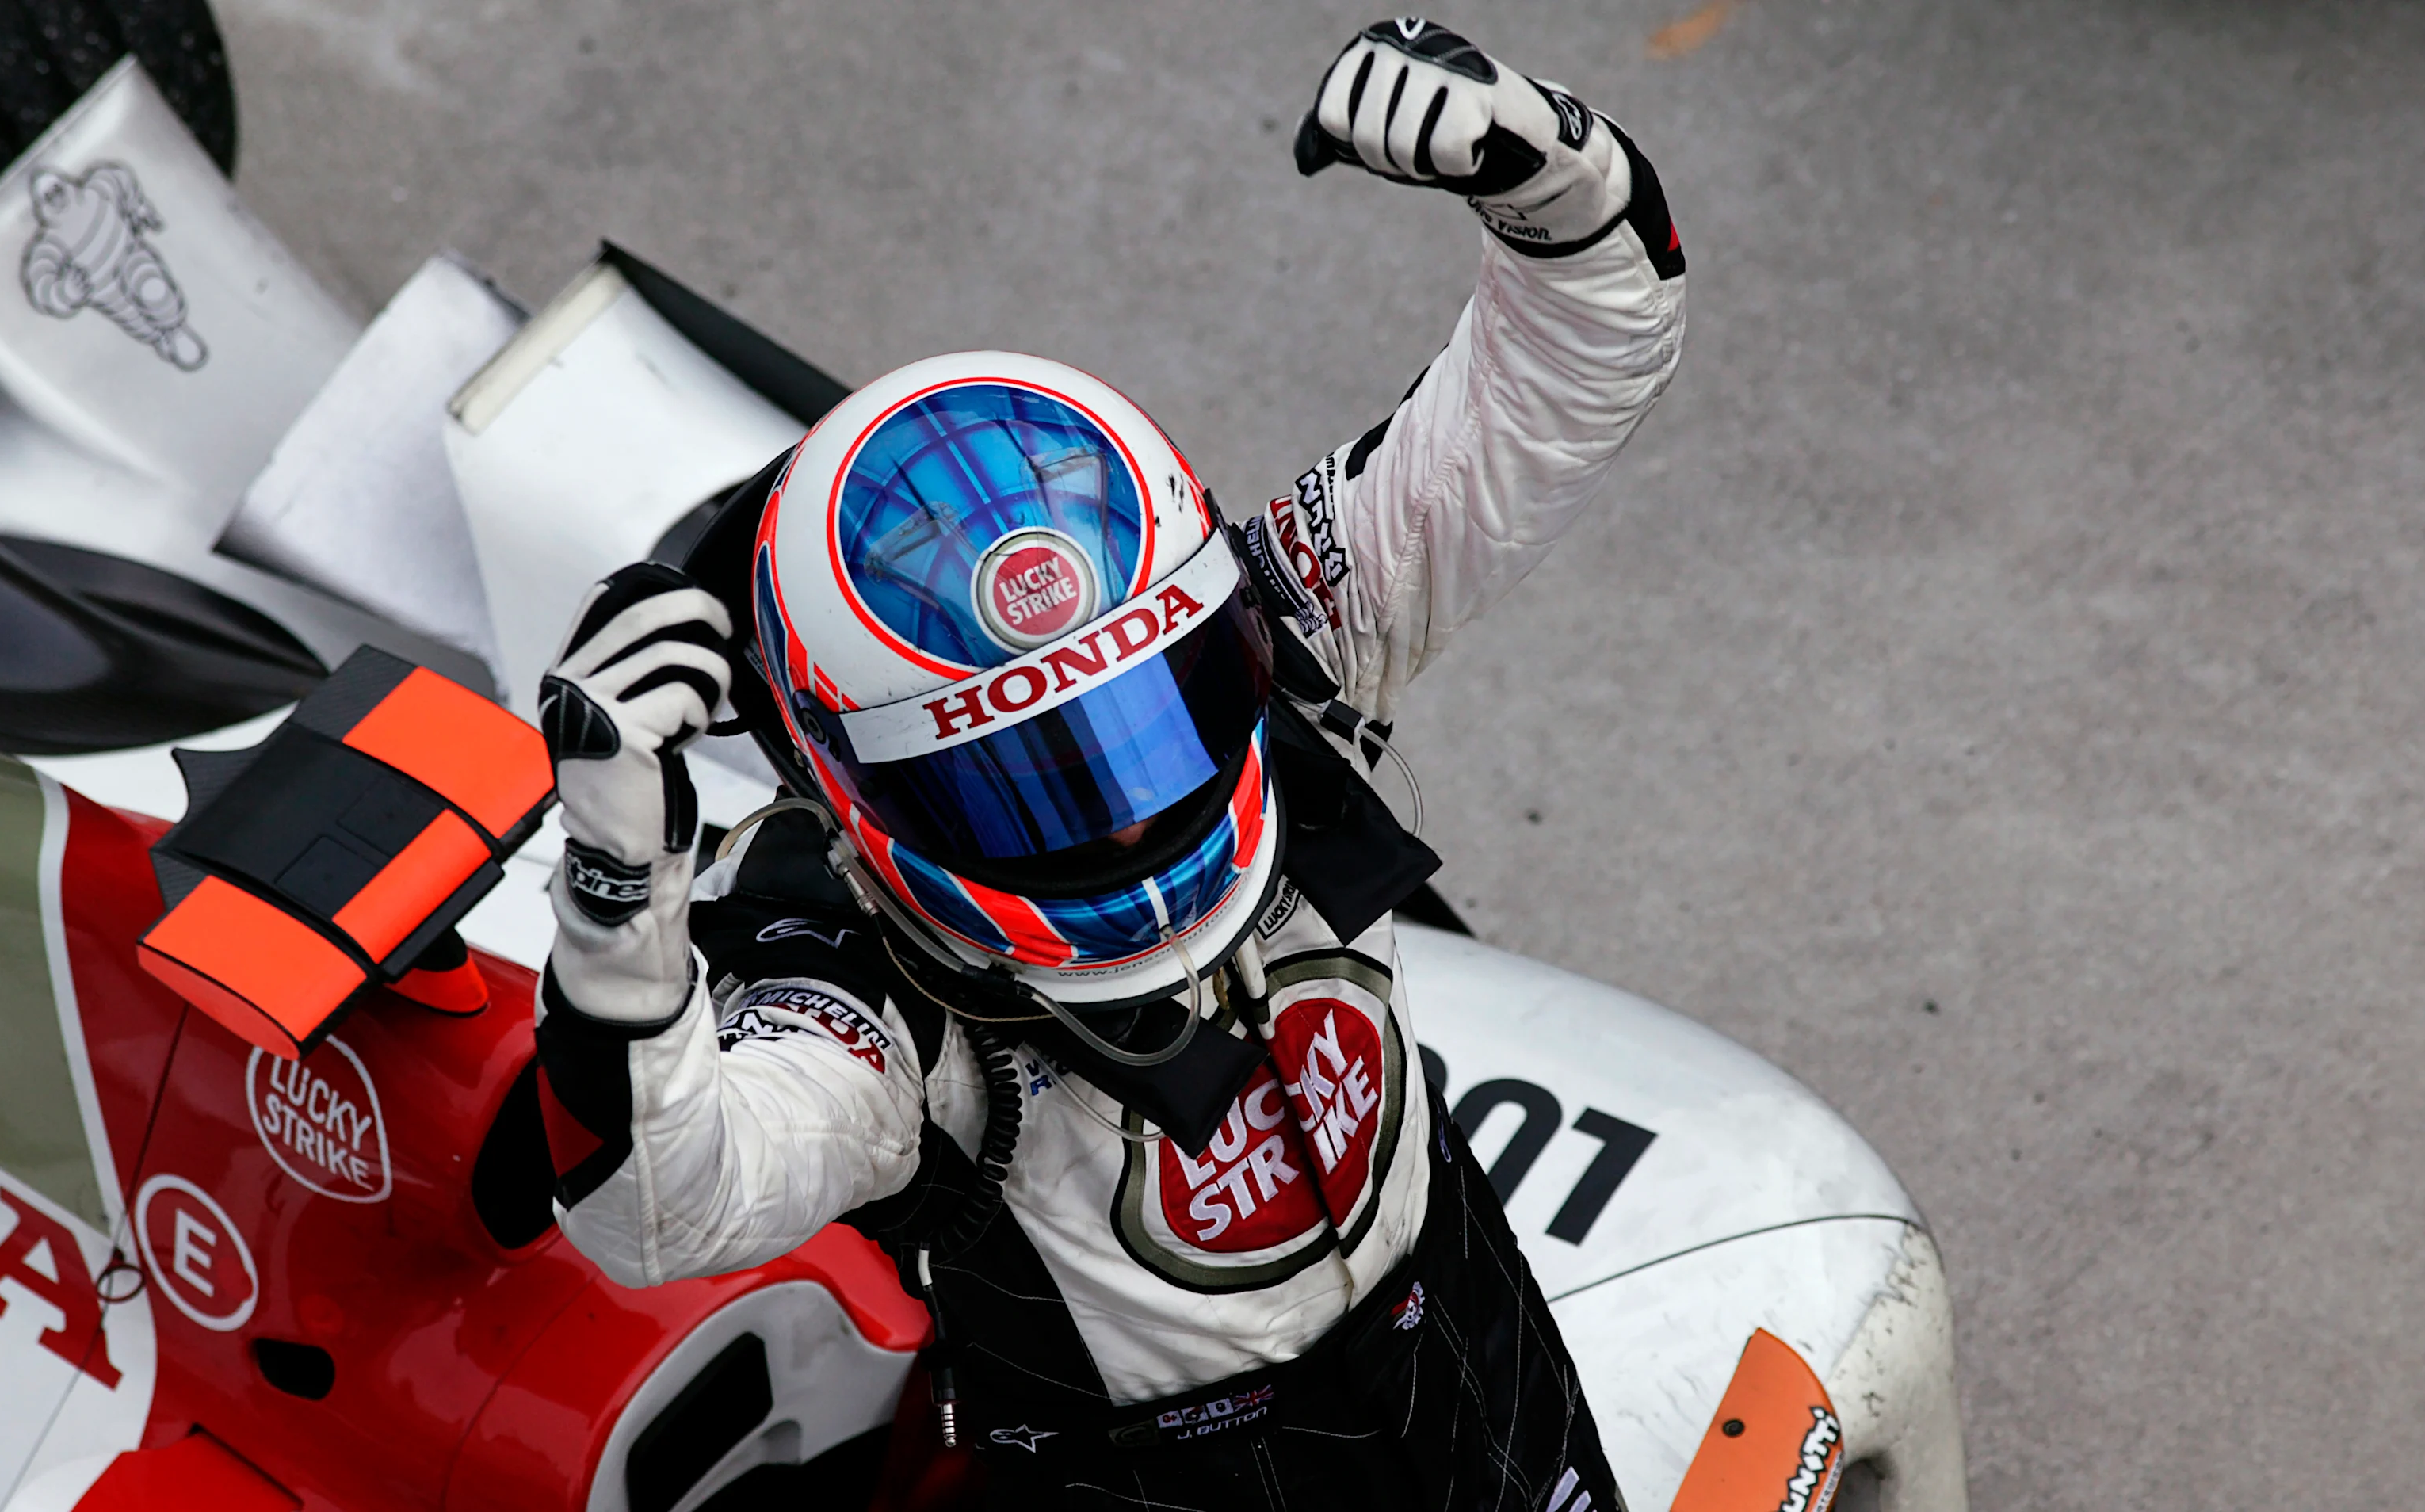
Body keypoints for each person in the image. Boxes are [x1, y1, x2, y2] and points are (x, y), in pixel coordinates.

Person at [528, 19, 1686, 1510]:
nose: (1117, 812)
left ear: (1194, 610)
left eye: (1137, 722)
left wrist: (1562, 180)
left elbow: (1580, 361)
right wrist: (622, 885)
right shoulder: (867, 986)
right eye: (1020, 781)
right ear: (851, 783)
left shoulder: (1288, 636)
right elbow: (653, 1211)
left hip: (1475, 1358)